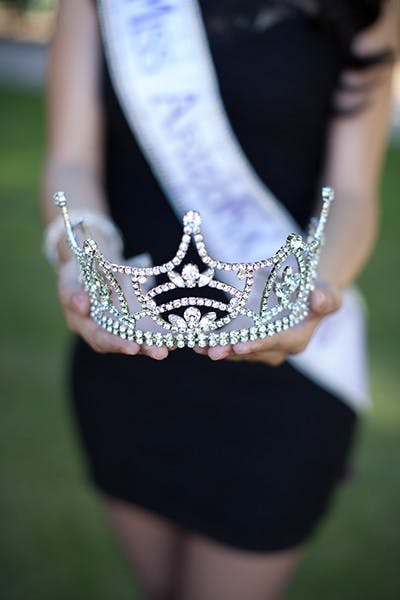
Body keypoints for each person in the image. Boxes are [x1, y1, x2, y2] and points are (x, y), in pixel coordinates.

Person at [41, 1, 398, 599]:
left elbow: (355, 195)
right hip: (131, 355)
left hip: (286, 371)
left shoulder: (367, 7)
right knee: (158, 588)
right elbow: (71, 159)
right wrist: (84, 254)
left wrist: (314, 293)